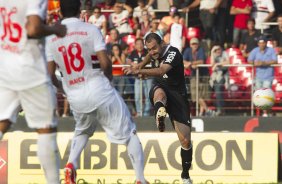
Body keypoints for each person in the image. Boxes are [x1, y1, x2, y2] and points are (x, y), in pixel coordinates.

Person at [45, 0, 148, 184]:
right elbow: (105, 63)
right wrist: (107, 79)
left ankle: (71, 165)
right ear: (79, 10)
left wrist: (64, 89)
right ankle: (140, 179)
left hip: (75, 95)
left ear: (60, 12)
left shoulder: (51, 38)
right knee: (129, 133)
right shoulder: (90, 29)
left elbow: (50, 74)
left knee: (83, 130)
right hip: (98, 87)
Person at [0, 0, 66, 183]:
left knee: (2, 123)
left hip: (5, 67)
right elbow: (33, 29)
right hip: (29, 67)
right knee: (46, 130)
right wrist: (55, 29)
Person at [123, 32, 193, 184]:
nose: (152, 52)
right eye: (149, 49)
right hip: (161, 87)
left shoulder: (173, 53)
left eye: (154, 48)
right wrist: (140, 64)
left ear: (162, 44)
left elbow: (161, 70)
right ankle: (159, 111)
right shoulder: (153, 52)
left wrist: (139, 70)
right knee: (159, 93)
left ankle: (185, 176)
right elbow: (150, 56)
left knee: (186, 141)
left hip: (178, 96)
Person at [183, 37, 215, 116]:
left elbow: (201, 61)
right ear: (190, 45)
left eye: (196, 43)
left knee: (202, 95)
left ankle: (201, 113)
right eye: (193, 44)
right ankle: (208, 110)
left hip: (203, 75)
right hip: (194, 75)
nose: (194, 45)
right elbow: (182, 60)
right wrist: (191, 64)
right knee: (196, 95)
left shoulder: (201, 50)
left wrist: (190, 63)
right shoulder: (187, 50)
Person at [248, 35, 277, 116]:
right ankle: (260, 113)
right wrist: (255, 63)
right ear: (258, 44)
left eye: (263, 43)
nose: (261, 44)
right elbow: (249, 60)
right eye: (260, 43)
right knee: (258, 96)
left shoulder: (271, 50)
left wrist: (264, 63)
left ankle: (266, 112)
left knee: (267, 95)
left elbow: (275, 61)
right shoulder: (255, 50)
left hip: (268, 76)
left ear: (266, 43)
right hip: (258, 76)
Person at [128, 38, 153, 117]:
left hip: (148, 78)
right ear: (135, 45)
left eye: (141, 43)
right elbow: (128, 60)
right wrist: (132, 63)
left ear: (144, 44)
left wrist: (138, 66)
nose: (139, 45)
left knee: (148, 96)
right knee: (137, 96)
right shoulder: (133, 53)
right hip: (137, 78)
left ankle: (146, 113)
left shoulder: (147, 52)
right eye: (137, 44)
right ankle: (139, 112)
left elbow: (150, 60)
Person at [209, 45, 230, 116]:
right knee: (217, 93)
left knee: (218, 92)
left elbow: (227, 62)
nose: (218, 51)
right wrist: (212, 52)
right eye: (216, 50)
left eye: (219, 49)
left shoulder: (224, 54)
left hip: (223, 76)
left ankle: (220, 109)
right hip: (215, 77)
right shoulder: (214, 55)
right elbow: (212, 64)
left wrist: (218, 64)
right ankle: (221, 109)